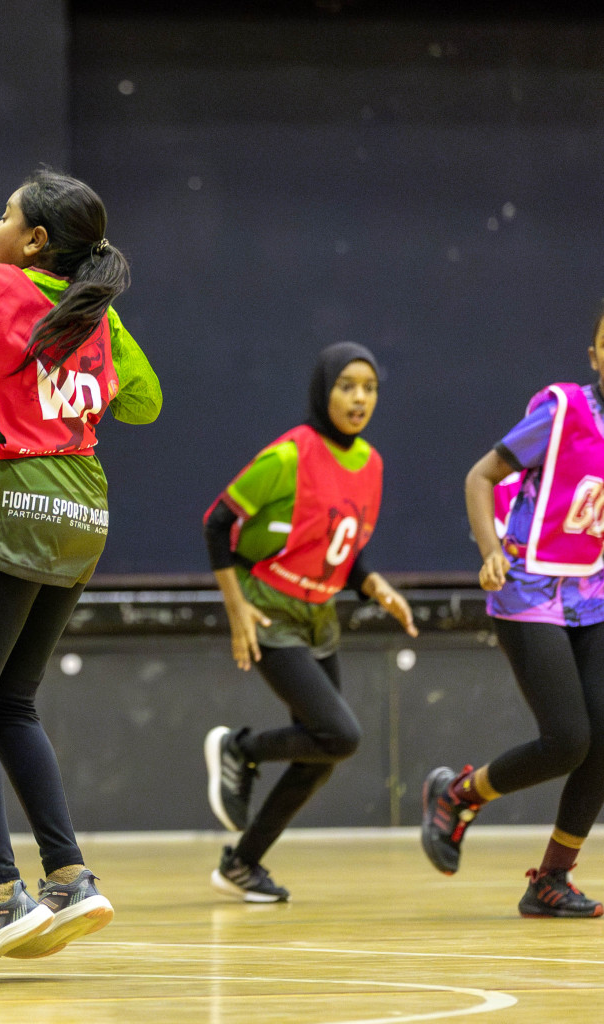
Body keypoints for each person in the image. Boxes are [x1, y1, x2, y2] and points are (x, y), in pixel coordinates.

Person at [0, 169, 161, 976]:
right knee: (11, 700)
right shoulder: (97, 318)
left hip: (8, 508)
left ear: (35, 240)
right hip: (81, 521)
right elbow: (142, 402)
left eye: (4, 215)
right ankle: (70, 875)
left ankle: (0, 889)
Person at [202, 342, 417, 902]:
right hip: (269, 608)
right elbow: (216, 522)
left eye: (369, 387)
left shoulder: (372, 464)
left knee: (322, 754)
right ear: (325, 390)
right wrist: (235, 609)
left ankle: (241, 865)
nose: (360, 397)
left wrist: (375, 586)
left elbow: (342, 553)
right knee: (340, 734)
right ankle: (241, 749)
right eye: (348, 385)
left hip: (319, 615)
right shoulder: (291, 455)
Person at [421, 309, 604, 918]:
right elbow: (481, 476)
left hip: (592, 591)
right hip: (529, 588)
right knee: (569, 740)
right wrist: (490, 550)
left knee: (602, 741)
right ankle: (458, 795)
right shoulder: (563, 412)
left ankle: (552, 880)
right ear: (595, 354)